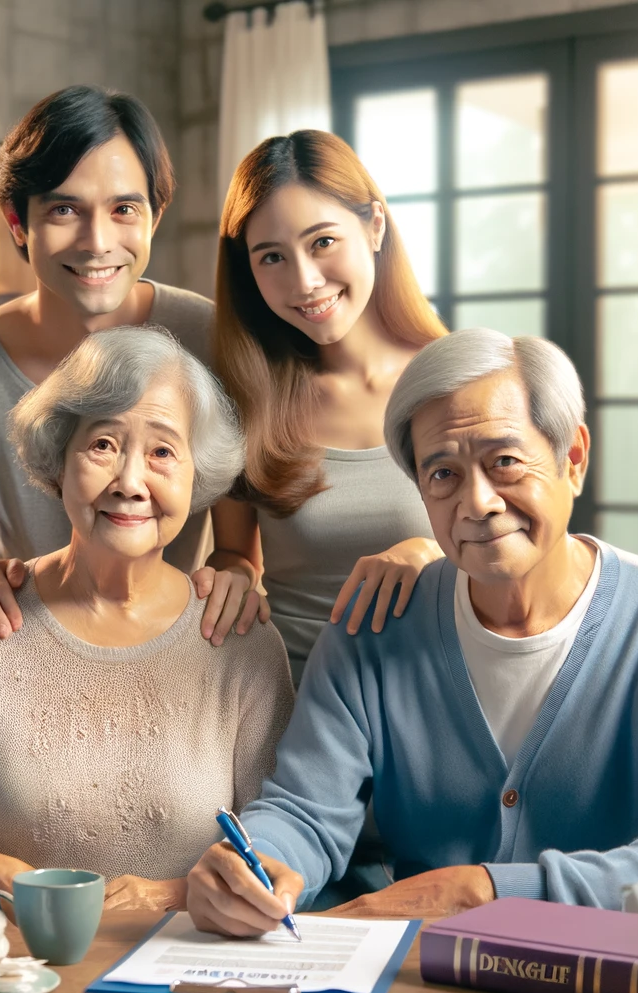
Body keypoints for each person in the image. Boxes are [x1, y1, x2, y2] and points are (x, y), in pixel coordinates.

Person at [185, 328, 638, 934]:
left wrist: (485, 890)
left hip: (608, 983)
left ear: (574, 459)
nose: (477, 502)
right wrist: (259, 865)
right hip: (414, 980)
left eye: (504, 461)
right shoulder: (373, 629)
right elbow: (303, 811)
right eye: (442, 475)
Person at [0, 327, 294, 911]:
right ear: (58, 461)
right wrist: (4, 876)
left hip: (181, 970)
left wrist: (168, 896)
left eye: (163, 451)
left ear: (198, 479)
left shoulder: (238, 638)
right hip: (4, 972)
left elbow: (279, 851)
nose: (130, 482)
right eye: (103, 445)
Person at [0, 85, 234, 642]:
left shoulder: (213, 341)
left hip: (180, 645)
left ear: (154, 218)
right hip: (28, 644)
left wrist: (236, 579)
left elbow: (236, 550)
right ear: (18, 222)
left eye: (124, 209)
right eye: (64, 209)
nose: (97, 242)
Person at [195, 130, 447, 682]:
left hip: (438, 694)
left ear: (374, 226)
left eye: (323, 242)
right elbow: (237, 555)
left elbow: (524, 550)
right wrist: (230, 574)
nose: (305, 281)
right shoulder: (246, 396)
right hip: (294, 703)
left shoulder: (456, 382)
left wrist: (435, 553)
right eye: (272, 258)